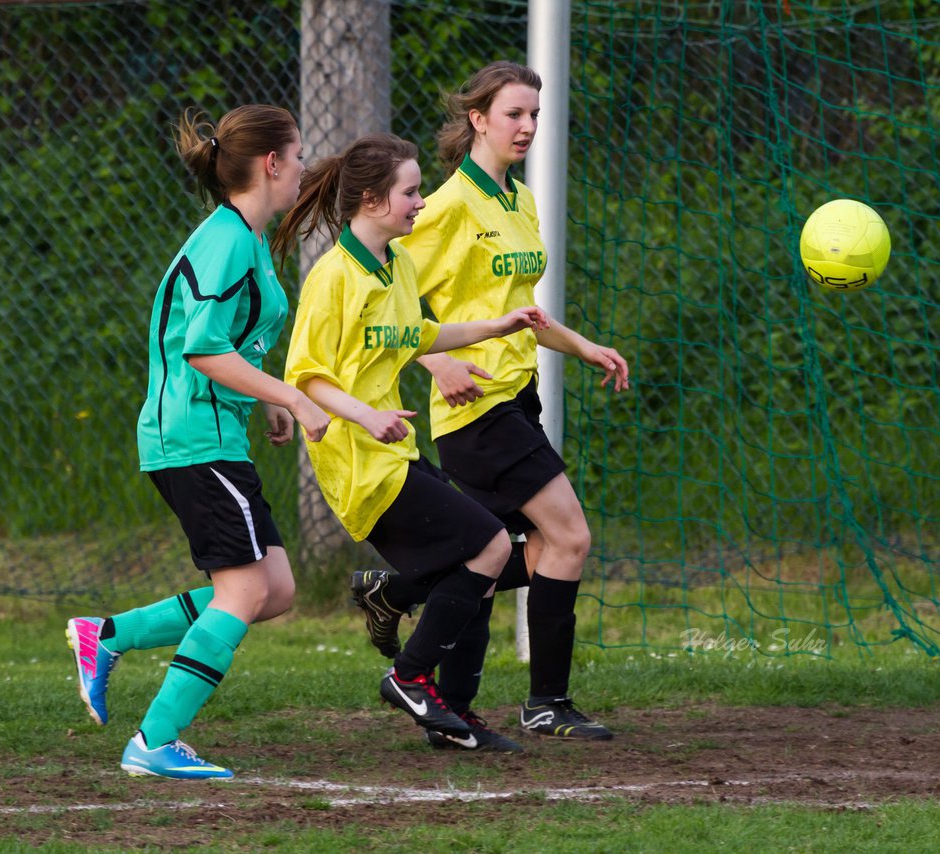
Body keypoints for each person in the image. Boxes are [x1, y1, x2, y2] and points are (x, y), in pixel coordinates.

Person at [349, 61, 630, 746]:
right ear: (477, 119)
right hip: (478, 410)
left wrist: (582, 345)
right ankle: (546, 702)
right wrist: (437, 360)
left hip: (516, 398)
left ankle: (406, 591)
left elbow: (521, 311)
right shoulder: (441, 209)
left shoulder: (518, 201)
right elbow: (384, 290)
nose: (528, 126)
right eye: (514, 114)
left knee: (495, 554)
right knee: (568, 537)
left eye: (535, 114)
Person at [65, 104, 331, 780]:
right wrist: (291, 398)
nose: (303, 166)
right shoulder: (226, 242)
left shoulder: (244, 237)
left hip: (212, 436)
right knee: (241, 593)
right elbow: (203, 348)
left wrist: (263, 393)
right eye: (298, 154)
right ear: (272, 163)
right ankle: (155, 740)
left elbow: (227, 347)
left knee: (273, 589)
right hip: (194, 440)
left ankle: (110, 635)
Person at [274, 133, 549, 746]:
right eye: (411, 190)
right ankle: (408, 676)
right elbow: (306, 378)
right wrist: (366, 416)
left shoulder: (395, 263)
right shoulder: (334, 278)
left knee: (481, 560)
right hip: (357, 461)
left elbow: (417, 334)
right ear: (372, 201)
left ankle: (448, 709)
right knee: (489, 545)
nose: (421, 202)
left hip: (393, 452)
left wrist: (494, 324)